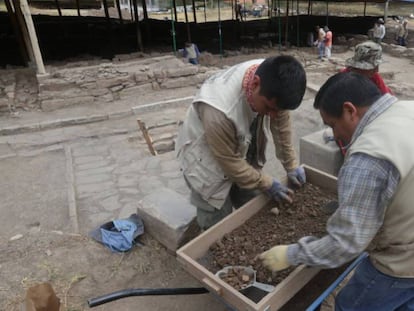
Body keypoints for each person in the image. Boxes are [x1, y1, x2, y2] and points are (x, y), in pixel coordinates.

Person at [259, 71, 414, 311]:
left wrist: (291, 254)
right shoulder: (407, 110)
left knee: (350, 305)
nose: (335, 135)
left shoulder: (368, 158)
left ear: (350, 110)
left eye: (332, 125)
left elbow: (346, 243)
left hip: (403, 262)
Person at [175, 56, 307, 230]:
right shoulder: (219, 111)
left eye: (278, 110)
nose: (273, 116)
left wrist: (291, 165)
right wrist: (266, 182)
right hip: (206, 159)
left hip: (236, 143)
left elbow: (281, 126)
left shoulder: (273, 78)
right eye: (269, 108)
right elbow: (229, 161)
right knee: (217, 223)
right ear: (255, 84)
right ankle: (212, 251)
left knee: (252, 202)